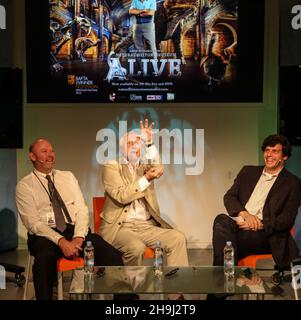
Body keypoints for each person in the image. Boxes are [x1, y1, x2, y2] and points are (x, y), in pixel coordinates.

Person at [16, 139, 124, 300]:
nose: (50, 155)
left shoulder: (68, 177)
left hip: (74, 231)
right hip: (45, 236)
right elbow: (33, 223)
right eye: (44, 151)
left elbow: (81, 209)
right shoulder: (25, 186)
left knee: (113, 256)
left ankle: (125, 305)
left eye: (51, 151)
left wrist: (79, 237)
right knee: (44, 261)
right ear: (32, 156)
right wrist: (61, 241)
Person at [100, 119, 188, 274]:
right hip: (120, 227)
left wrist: (149, 143)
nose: (134, 146)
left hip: (146, 226)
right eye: (129, 143)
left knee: (177, 238)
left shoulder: (144, 166)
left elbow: (157, 168)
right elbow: (121, 195)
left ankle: (176, 294)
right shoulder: (112, 165)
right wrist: (146, 179)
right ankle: (130, 293)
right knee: (136, 247)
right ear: (122, 149)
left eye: (137, 143)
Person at [212, 134, 301, 271]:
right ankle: (227, 280)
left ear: (284, 157)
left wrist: (259, 224)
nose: (269, 154)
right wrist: (246, 215)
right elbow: (229, 196)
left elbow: (287, 219)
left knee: (226, 243)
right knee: (221, 220)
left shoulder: (293, 183)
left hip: (265, 233)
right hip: (240, 223)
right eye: (267, 150)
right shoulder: (248, 171)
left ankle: (222, 282)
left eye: (275, 151)